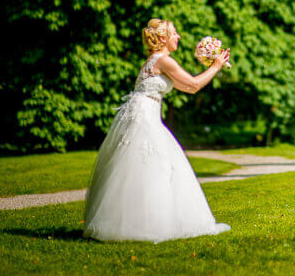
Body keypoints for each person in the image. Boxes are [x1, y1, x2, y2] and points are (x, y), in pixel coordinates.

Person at [84, 19, 231, 242]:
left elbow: (188, 86)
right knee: (152, 163)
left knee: (144, 164)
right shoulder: (163, 60)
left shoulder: (157, 60)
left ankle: (134, 221)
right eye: (175, 33)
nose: (179, 37)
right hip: (144, 115)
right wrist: (216, 66)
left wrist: (213, 67)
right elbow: (192, 85)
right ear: (163, 39)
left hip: (144, 112)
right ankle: (145, 224)